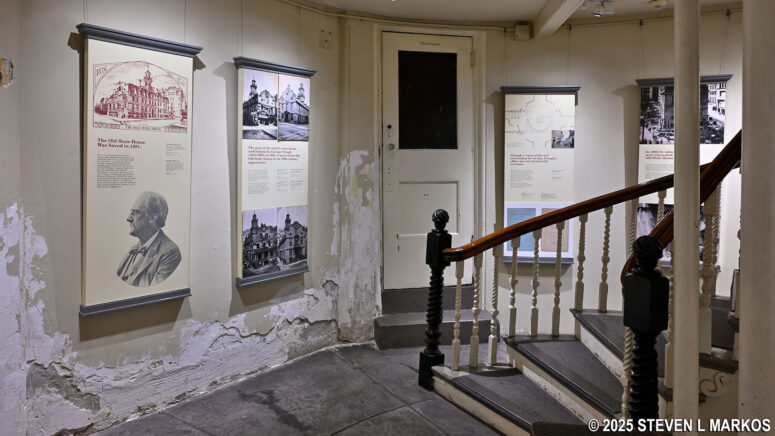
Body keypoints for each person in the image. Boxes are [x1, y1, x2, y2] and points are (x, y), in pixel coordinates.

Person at [117, 191, 181, 287]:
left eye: (135, 212)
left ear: (153, 217)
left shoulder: (170, 252)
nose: (128, 218)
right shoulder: (132, 250)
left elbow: (156, 292)